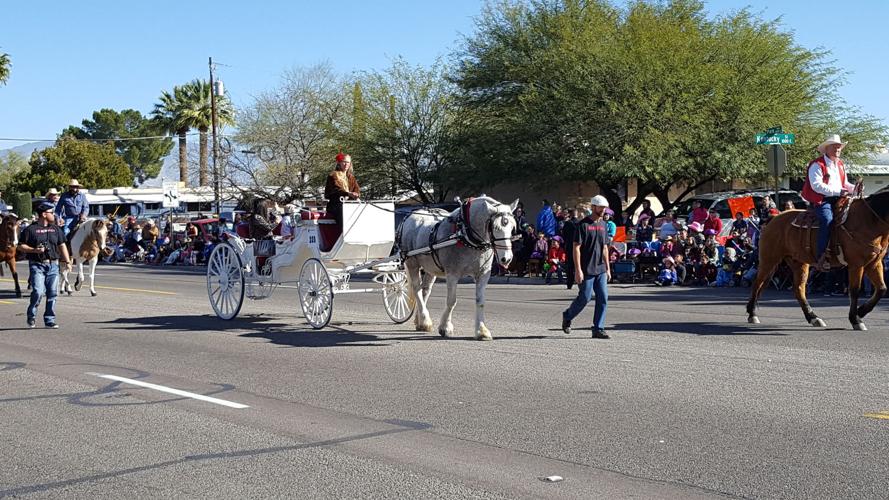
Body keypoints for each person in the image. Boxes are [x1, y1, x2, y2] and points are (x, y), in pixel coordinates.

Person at [801, 134, 857, 271]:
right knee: (827, 219)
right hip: (822, 199)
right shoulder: (817, 164)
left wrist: (854, 188)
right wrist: (839, 191)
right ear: (827, 149)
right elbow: (816, 186)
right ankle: (822, 256)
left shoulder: (840, 164)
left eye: (839, 147)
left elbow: (844, 183)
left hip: (839, 198)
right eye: (835, 147)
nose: (838, 149)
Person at [561, 195, 611, 339]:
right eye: (601, 207)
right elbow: (576, 247)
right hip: (586, 269)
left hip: (600, 269)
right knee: (585, 297)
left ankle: (598, 328)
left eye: (604, 208)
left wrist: (608, 268)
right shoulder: (583, 225)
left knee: (603, 298)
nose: (603, 210)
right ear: (593, 207)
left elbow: (605, 248)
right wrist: (578, 270)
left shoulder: (603, 225)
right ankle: (568, 316)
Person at [18, 202, 71, 328]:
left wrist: (67, 261)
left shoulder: (56, 229)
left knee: (52, 292)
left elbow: (62, 245)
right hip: (37, 265)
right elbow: (20, 245)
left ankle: (49, 319)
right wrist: (34, 250)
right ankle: (31, 315)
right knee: (38, 291)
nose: (54, 215)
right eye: (51, 212)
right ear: (44, 214)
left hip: (53, 264)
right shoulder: (31, 229)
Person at [324, 153, 361, 226]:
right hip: (336, 205)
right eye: (344, 162)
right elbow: (336, 189)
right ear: (339, 163)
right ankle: (344, 234)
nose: (346, 164)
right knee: (344, 215)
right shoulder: (333, 175)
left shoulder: (351, 177)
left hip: (349, 204)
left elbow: (356, 189)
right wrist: (348, 193)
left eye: (348, 162)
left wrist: (356, 194)